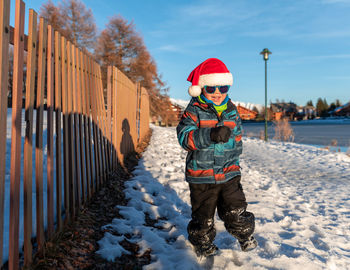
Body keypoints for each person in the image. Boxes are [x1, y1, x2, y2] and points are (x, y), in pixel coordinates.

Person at [176, 58, 257, 257]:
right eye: (212, 88)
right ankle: (202, 242)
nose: (218, 93)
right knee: (203, 216)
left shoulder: (231, 110)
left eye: (223, 87)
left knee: (235, 209)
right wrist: (210, 135)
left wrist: (234, 157)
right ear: (201, 89)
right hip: (202, 174)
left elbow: (237, 137)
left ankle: (245, 235)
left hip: (229, 172)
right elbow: (185, 138)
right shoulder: (194, 111)